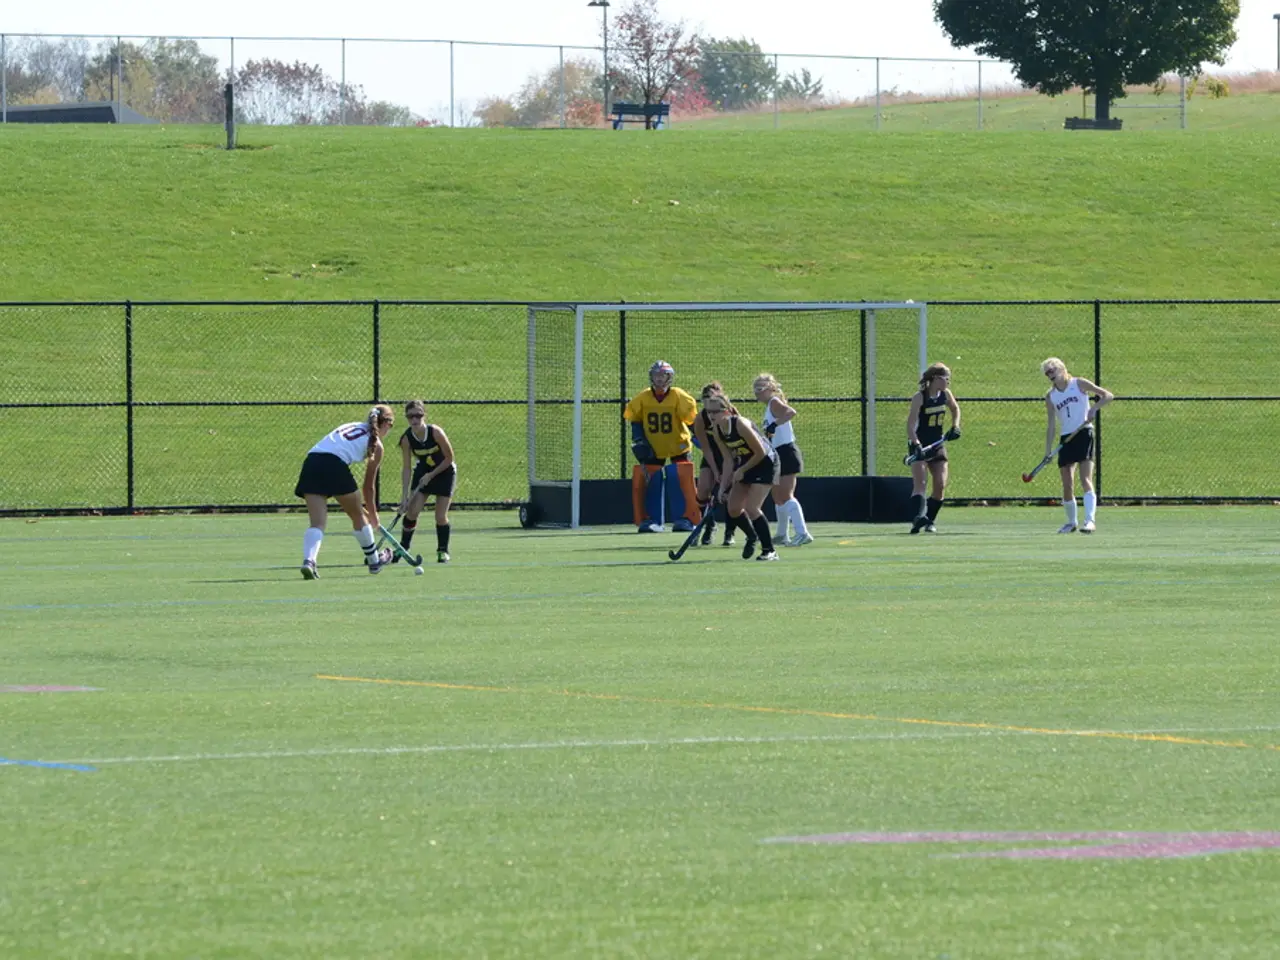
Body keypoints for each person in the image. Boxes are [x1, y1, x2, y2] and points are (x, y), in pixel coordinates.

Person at [293, 405, 396, 579]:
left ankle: (309, 562)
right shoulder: (377, 446)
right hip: (334, 465)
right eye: (391, 425)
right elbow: (368, 487)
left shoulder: (351, 425)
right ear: (386, 423)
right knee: (358, 517)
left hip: (311, 462)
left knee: (317, 523)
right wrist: (373, 515)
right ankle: (374, 562)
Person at [623, 360, 701, 534]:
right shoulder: (643, 397)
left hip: (678, 445)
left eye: (663, 375)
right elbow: (635, 419)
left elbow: (691, 421)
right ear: (651, 377)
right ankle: (652, 519)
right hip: (654, 446)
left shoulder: (679, 396)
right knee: (652, 481)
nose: (659, 379)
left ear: (669, 377)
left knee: (680, 480)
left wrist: (700, 438)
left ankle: (685, 518)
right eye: (656, 375)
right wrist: (638, 439)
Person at [1042, 356, 1113, 534]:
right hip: (1066, 438)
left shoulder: (1079, 383)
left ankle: (1090, 521)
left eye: (1052, 370)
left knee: (1085, 479)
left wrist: (1093, 409)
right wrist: (1048, 450)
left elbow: (1108, 396)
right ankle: (1071, 522)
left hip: (1084, 432)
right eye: (1047, 373)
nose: (1050, 375)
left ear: (1062, 368)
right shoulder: (1050, 396)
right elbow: (1051, 425)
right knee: (1067, 483)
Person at [707, 393, 780, 561]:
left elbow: (760, 452)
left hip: (766, 463)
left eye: (715, 412)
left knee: (752, 508)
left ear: (726, 411)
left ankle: (769, 550)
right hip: (746, 464)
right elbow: (727, 460)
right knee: (733, 508)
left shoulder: (740, 424)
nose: (711, 415)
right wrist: (722, 487)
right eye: (709, 412)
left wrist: (742, 470)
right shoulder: (717, 430)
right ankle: (752, 536)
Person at [753, 373, 813, 546]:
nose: (756, 393)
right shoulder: (769, 406)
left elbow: (790, 412)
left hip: (786, 452)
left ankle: (802, 533)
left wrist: (774, 425)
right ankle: (781, 534)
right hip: (777, 454)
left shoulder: (774, 402)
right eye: (755, 389)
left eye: (760, 389)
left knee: (786, 496)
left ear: (770, 389)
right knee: (778, 497)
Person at [397, 399, 457, 564]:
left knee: (440, 516)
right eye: (410, 416)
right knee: (412, 511)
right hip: (423, 472)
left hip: (444, 472)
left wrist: (431, 475)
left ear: (424, 415)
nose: (414, 420)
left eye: (418, 415)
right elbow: (407, 468)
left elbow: (449, 458)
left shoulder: (435, 432)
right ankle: (403, 548)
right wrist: (404, 497)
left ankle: (442, 551)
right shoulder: (406, 439)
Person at [905, 363, 962, 534]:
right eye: (945, 379)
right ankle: (917, 519)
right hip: (920, 445)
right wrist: (916, 444)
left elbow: (955, 409)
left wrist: (955, 426)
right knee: (920, 484)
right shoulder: (919, 397)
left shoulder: (946, 394)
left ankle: (929, 521)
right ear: (935, 378)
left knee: (940, 484)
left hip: (937, 444)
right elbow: (910, 426)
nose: (948, 382)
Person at [691, 382, 735, 547]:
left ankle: (729, 532)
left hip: (731, 455)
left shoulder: (731, 413)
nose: (708, 403)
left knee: (728, 495)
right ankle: (709, 525)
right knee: (703, 490)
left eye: (712, 398)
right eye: (705, 399)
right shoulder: (701, 418)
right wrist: (716, 471)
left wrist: (728, 469)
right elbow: (706, 448)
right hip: (712, 457)